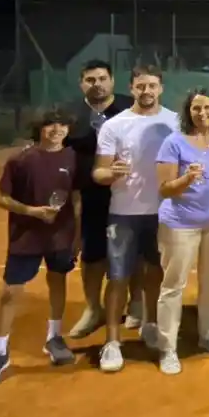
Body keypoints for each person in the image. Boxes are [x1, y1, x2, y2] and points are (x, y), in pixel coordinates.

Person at [0, 107, 80, 392]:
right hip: (26, 237)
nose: (56, 130)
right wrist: (32, 211)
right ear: (39, 128)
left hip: (60, 236)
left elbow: (76, 199)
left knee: (57, 282)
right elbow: (2, 199)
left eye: (61, 125)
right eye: (50, 125)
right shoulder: (21, 159)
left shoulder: (72, 158)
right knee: (10, 293)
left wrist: (77, 235)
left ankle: (54, 338)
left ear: (68, 130)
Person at [92, 64, 178, 373]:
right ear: (131, 88)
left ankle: (151, 324)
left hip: (163, 213)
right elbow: (98, 171)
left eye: (152, 86)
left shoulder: (174, 122)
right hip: (123, 213)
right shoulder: (114, 125)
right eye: (140, 86)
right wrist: (109, 173)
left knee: (156, 274)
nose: (146, 91)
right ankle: (112, 341)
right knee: (118, 278)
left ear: (161, 88)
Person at [153, 88, 209, 376]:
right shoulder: (173, 143)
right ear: (188, 112)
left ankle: (208, 334)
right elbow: (164, 189)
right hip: (180, 224)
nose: (202, 113)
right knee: (173, 285)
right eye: (196, 109)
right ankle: (168, 348)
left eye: (207, 108)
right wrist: (187, 178)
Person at [64, 59, 136, 340]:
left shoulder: (130, 109)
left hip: (129, 193)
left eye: (102, 78)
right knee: (92, 256)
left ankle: (134, 305)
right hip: (89, 197)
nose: (97, 84)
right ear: (82, 83)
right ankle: (93, 308)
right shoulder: (71, 115)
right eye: (91, 80)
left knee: (132, 252)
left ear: (112, 81)